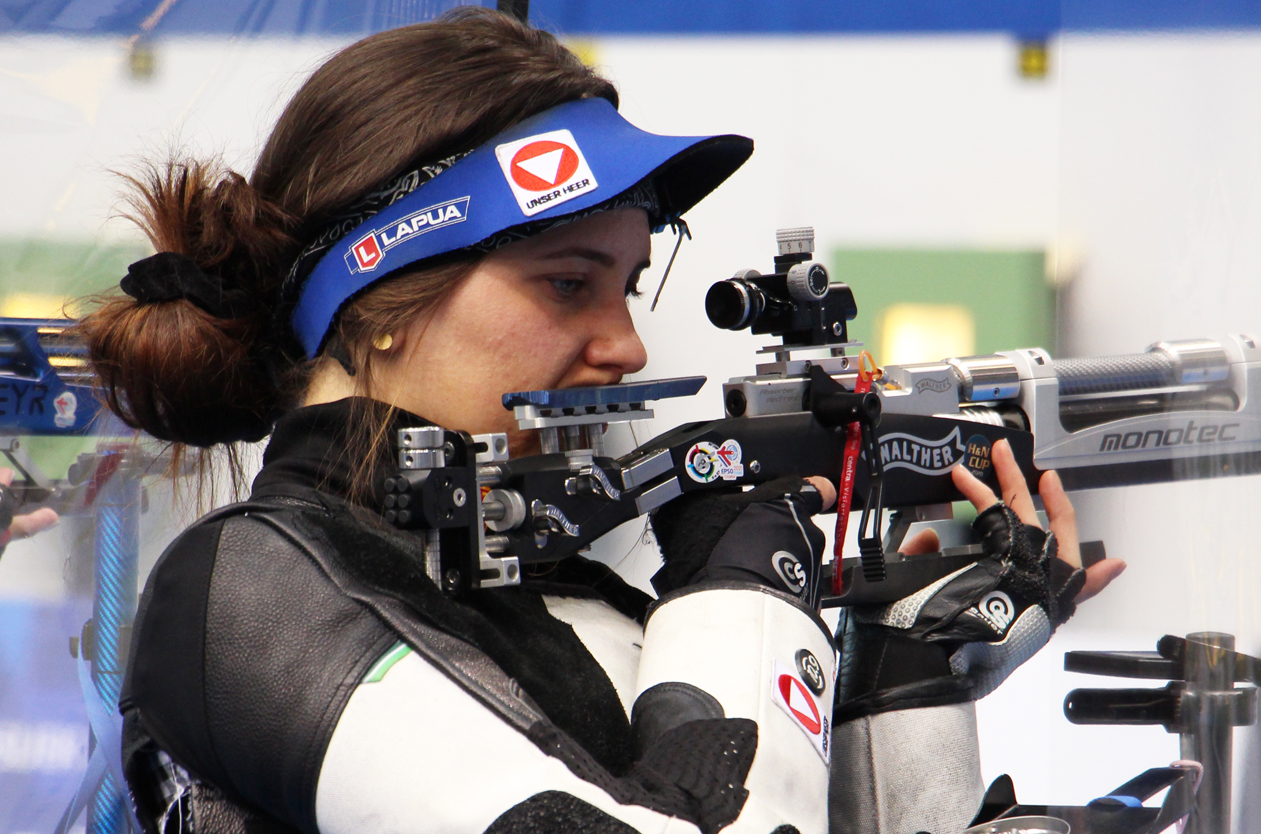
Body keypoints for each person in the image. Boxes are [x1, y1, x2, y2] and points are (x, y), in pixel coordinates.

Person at [82, 9, 1124, 834]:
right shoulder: (251, 591)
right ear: (380, 305)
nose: (624, 345)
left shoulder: (555, 587)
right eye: (569, 283)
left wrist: (900, 677)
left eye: (627, 286)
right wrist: (746, 595)